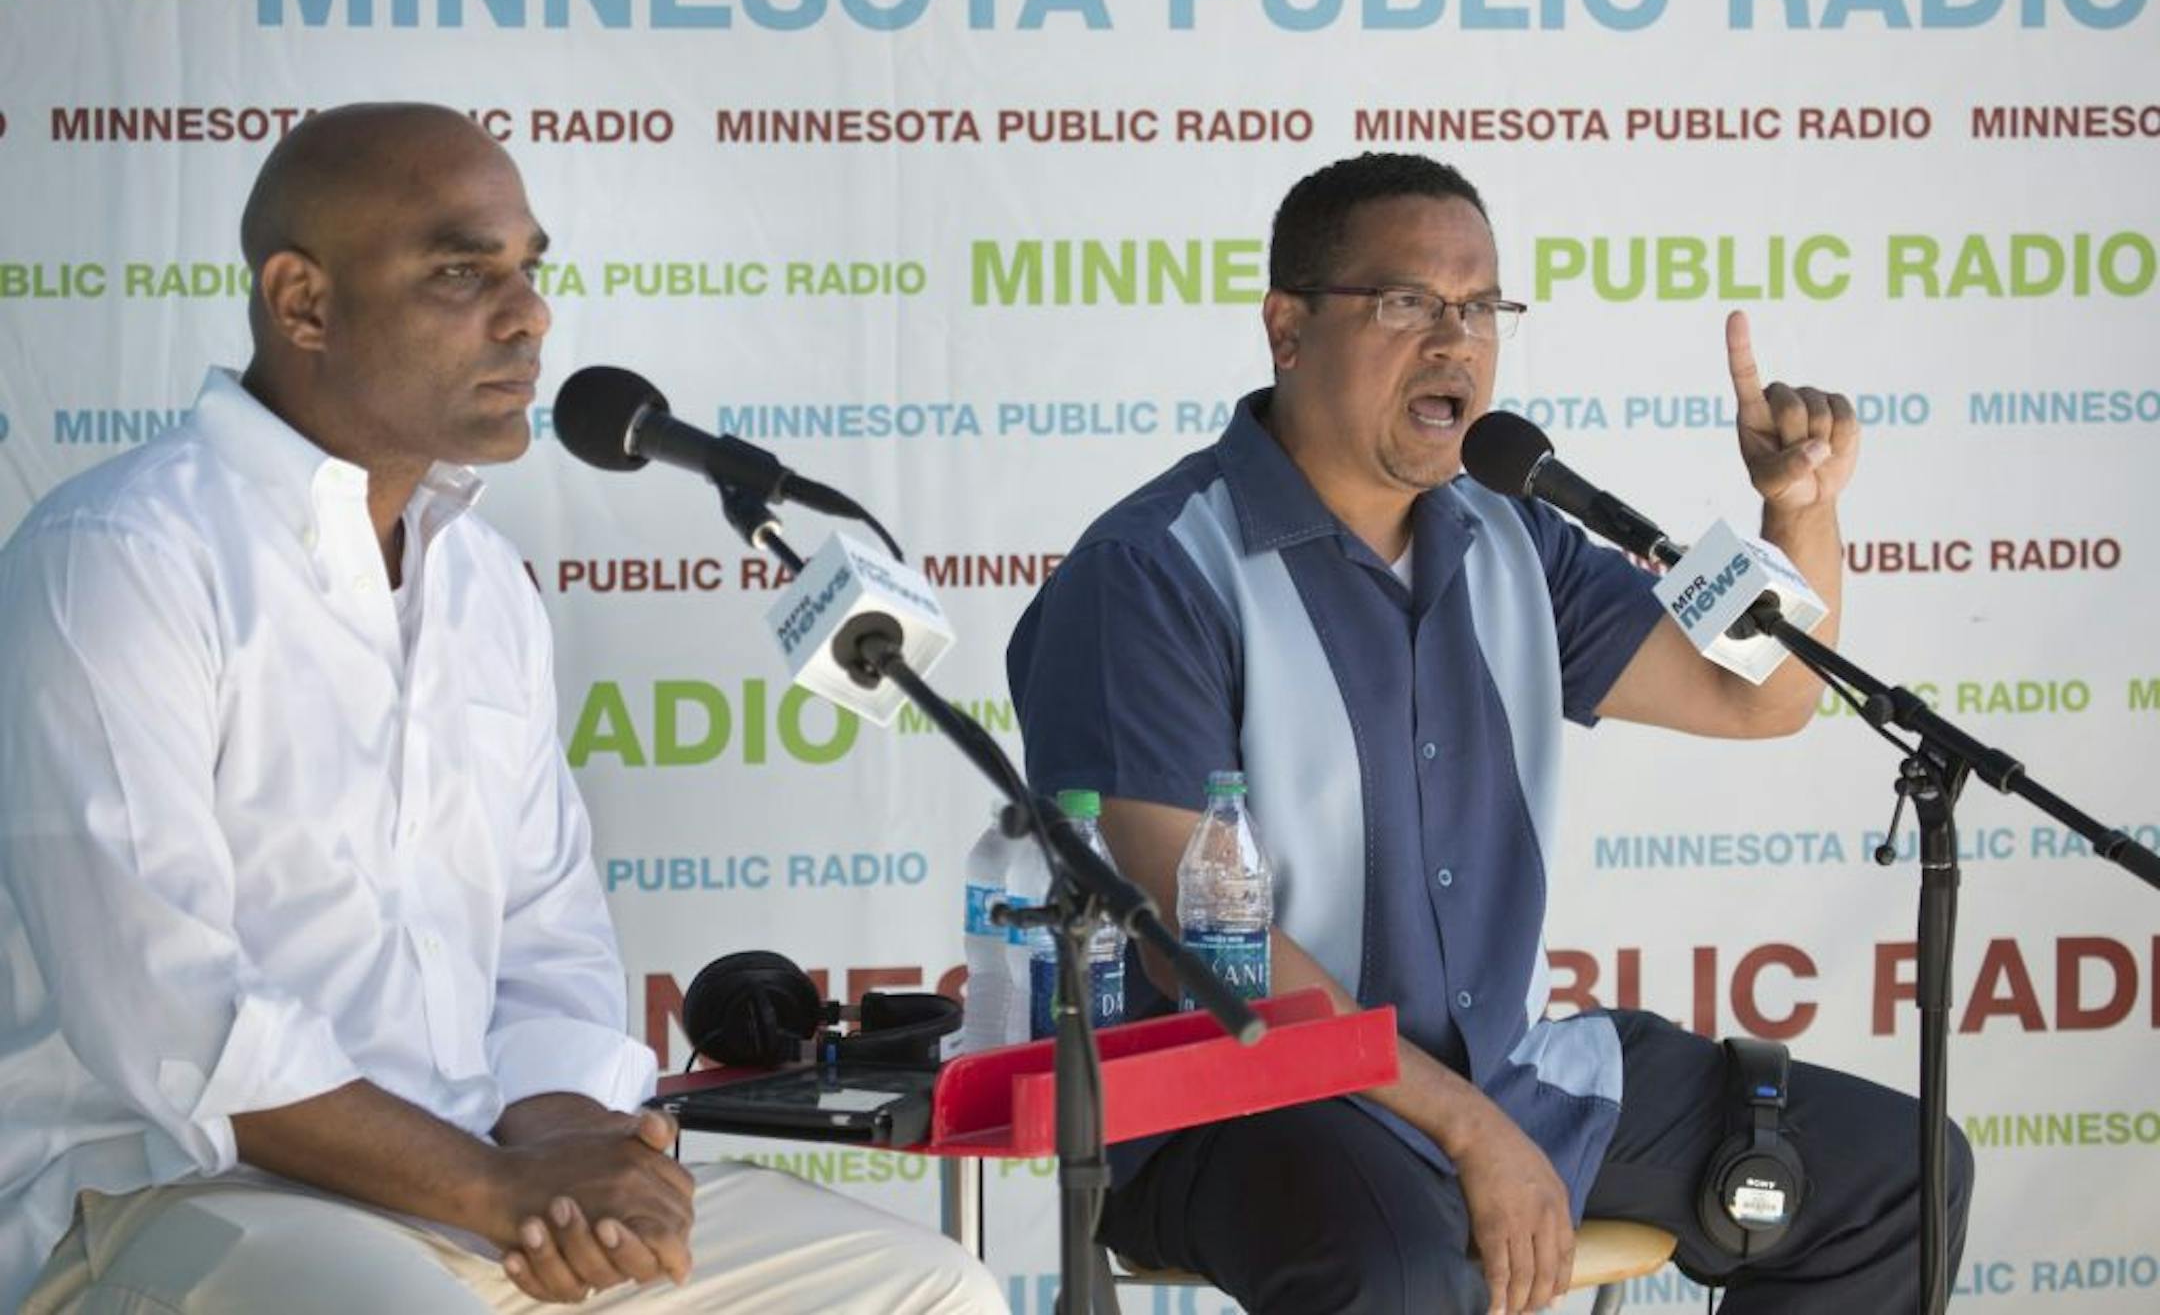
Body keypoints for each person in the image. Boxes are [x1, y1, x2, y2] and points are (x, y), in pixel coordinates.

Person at [0, 103, 1002, 1314]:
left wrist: (580, 1162)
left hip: (486, 1178)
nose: (528, 315)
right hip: (188, 1194)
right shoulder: (121, 555)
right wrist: (495, 1188)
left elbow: (545, 938)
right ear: (302, 302)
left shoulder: (479, 581)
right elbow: (172, 1022)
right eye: (462, 272)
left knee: (925, 1286)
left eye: (531, 269)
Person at [1006, 152, 1972, 1314]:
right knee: (1407, 1260)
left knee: (1894, 1176)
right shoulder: (1154, 570)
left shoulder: (1516, 535)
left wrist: (1798, 511)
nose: (1456, 341)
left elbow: (1758, 696)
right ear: (1287, 327)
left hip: (1503, 1078)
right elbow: (1203, 942)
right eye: (1408, 302)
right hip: (1243, 1102)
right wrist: (1467, 1131)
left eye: (1482, 309)